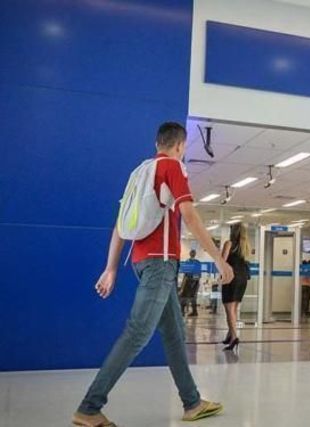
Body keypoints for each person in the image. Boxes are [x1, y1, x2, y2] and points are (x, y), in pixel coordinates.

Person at [72, 122, 234, 427]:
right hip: (160, 263)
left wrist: (111, 267)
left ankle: (192, 402)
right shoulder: (173, 167)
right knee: (137, 333)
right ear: (180, 146)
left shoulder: (139, 173)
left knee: (174, 334)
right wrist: (218, 259)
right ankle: (89, 407)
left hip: (141, 261)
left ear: (157, 143)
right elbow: (189, 215)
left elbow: (121, 224)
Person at [220, 223, 250, 351]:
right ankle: (230, 334)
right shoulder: (245, 246)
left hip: (231, 277)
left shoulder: (229, 243)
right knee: (234, 308)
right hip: (243, 278)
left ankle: (234, 337)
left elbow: (222, 261)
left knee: (229, 309)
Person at [179, 249, 201, 317]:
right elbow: (186, 274)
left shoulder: (191, 262)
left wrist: (184, 284)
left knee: (188, 296)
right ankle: (189, 311)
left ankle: (188, 311)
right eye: (192, 253)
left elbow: (187, 274)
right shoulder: (193, 262)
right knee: (188, 296)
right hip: (192, 281)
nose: (192, 254)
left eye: (192, 253)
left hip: (191, 281)